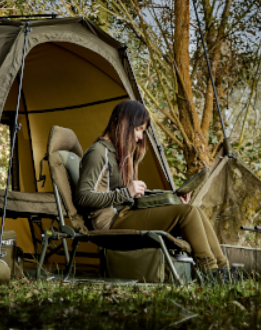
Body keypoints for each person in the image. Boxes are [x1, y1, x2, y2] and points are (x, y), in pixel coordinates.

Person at [75, 99, 228, 273]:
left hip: (125, 214)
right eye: (138, 129)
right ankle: (211, 271)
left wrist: (171, 198)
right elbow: (82, 198)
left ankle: (224, 268)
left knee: (193, 210)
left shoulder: (117, 153)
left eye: (143, 131)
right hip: (109, 223)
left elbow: (129, 195)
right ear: (124, 123)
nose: (140, 136)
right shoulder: (98, 152)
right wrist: (126, 193)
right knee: (187, 213)